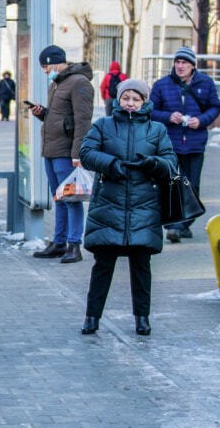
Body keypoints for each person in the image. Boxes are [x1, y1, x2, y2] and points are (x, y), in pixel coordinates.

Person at [78, 79, 177, 336]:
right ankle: (91, 317)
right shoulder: (103, 125)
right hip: (108, 206)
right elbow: (86, 153)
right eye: (126, 98)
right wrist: (111, 164)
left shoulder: (157, 130)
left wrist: (153, 163)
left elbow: (170, 163)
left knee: (141, 266)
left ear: (144, 102)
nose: (130, 104)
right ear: (119, 100)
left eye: (136, 99)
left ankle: (142, 318)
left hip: (144, 206)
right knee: (103, 266)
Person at [28, 45, 94, 263]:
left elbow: (82, 121)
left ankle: (74, 245)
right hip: (52, 150)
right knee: (59, 198)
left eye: (46, 66)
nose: (45, 71)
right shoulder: (58, 83)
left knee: (71, 198)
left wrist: (78, 154)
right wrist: (42, 114)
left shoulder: (79, 82)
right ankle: (59, 242)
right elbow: (59, 118)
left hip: (67, 152)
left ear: (56, 61)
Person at [149, 46, 220, 243]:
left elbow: (215, 107)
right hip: (169, 143)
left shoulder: (205, 83)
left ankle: (184, 223)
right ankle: (174, 225)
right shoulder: (162, 84)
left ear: (192, 65)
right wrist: (168, 116)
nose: (180, 66)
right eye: (177, 62)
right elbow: (151, 110)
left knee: (192, 185)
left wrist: (202, 120)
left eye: (185, 63)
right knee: (171, 183)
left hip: (195, 142)